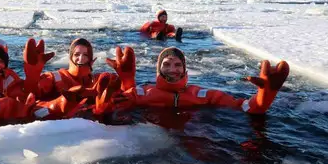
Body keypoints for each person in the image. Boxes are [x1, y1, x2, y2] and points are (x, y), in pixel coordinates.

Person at [118, 46, 290, 115]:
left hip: (193, 141)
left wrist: (266, 94)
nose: (172, 69)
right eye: (167, 64)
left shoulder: (202, 94)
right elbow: (113, 104)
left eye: (178, 65)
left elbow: (245, 107)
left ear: (184, 69)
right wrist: (125, 80)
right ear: (158, 69)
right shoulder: (141, 92)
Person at [23, 37, 135, 102]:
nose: (81, 58)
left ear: (91, 58)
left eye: (85, 55)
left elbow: (128, 97)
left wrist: (127, 79)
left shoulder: (100, 80)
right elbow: (30, 96)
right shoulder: (55, 77)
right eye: (76, 54)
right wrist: (33, 74)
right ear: (70, 57)